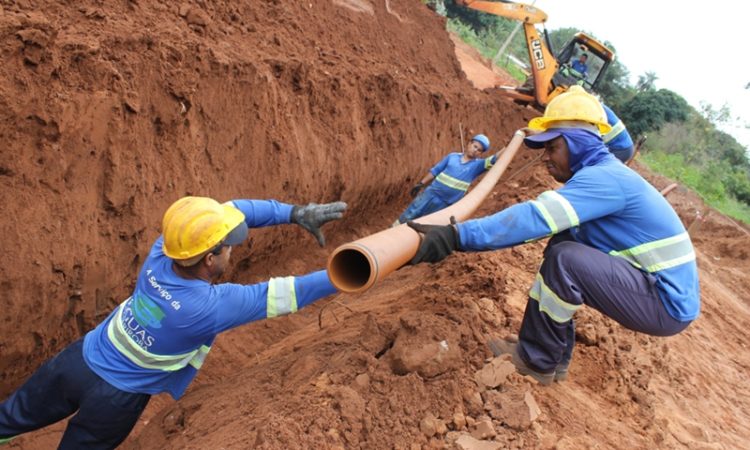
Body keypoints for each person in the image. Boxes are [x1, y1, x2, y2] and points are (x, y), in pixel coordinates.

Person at [406, 85, 699, 385]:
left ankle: (537, 362)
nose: (546, 158)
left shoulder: (603, 178)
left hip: (666, 302)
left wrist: (456, 236)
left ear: (577, 143)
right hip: (654, 289)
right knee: (565, 244)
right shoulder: (603, 171)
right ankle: (552, 355)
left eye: (552, 148)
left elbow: (535, 218)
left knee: (566, 259)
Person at [0, 196, 347, 448]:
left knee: (10, 418)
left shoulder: (162, 252)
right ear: (210, 259)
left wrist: (293, 213)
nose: (233, 249)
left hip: (78, 361)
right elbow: (289, 293)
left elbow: (231, 211)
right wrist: (348, 268)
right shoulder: (207, 308)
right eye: (228, 246)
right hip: (116, 399)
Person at [395, 134, 499, 225]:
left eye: (479, 150)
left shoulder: (477, 166)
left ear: (480, 154)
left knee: (425, 223)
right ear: (469, 143)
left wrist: (508, 146)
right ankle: (392, 231)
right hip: (430, 193)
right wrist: (421, 183)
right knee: (411, 213)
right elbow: (436, 170)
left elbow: (494, 159)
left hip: (444, 204)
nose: (475, 150)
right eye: (475, 146)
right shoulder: (452, 157)